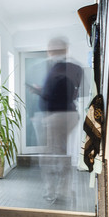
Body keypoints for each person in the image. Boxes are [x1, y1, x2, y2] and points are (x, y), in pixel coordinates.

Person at [31, 37, 83, 203]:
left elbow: (54, 95)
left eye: (51, 49)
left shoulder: (58, 68)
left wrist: (40, 91)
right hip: (69, 115)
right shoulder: (75, 68)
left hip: (56, 116)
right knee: (60, 153)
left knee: (50, 156)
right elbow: (71, 92)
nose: (49, 52)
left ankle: (53, 191)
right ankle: (63, 190)